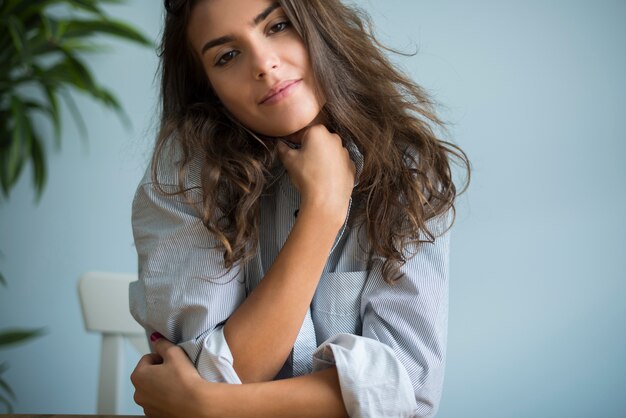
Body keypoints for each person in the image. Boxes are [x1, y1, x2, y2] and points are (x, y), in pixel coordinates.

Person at [129, 0, 469, 417]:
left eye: (278, 26)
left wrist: (209, 406)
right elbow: (205, 371)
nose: (264, 64)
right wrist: (322, 212)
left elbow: (405, 394)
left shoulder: (408, 171)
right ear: (208, 86)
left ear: (318, 24)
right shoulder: (188, 172)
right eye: (227, 55)